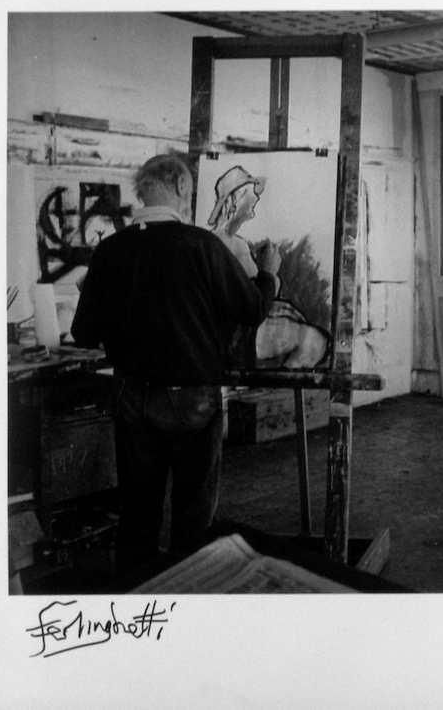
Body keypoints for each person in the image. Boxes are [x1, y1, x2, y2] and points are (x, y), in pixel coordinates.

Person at [70, 154, 281, 577]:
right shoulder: (202, 246)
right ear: (182, 188)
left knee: (137, 515)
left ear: (142, 191)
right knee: (193, 519)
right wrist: (269, 275)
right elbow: (252, 308)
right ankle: (188, 600)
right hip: (192, 398)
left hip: (133, 396)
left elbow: (83, 332)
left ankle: (135, 601)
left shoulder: (110, 250)